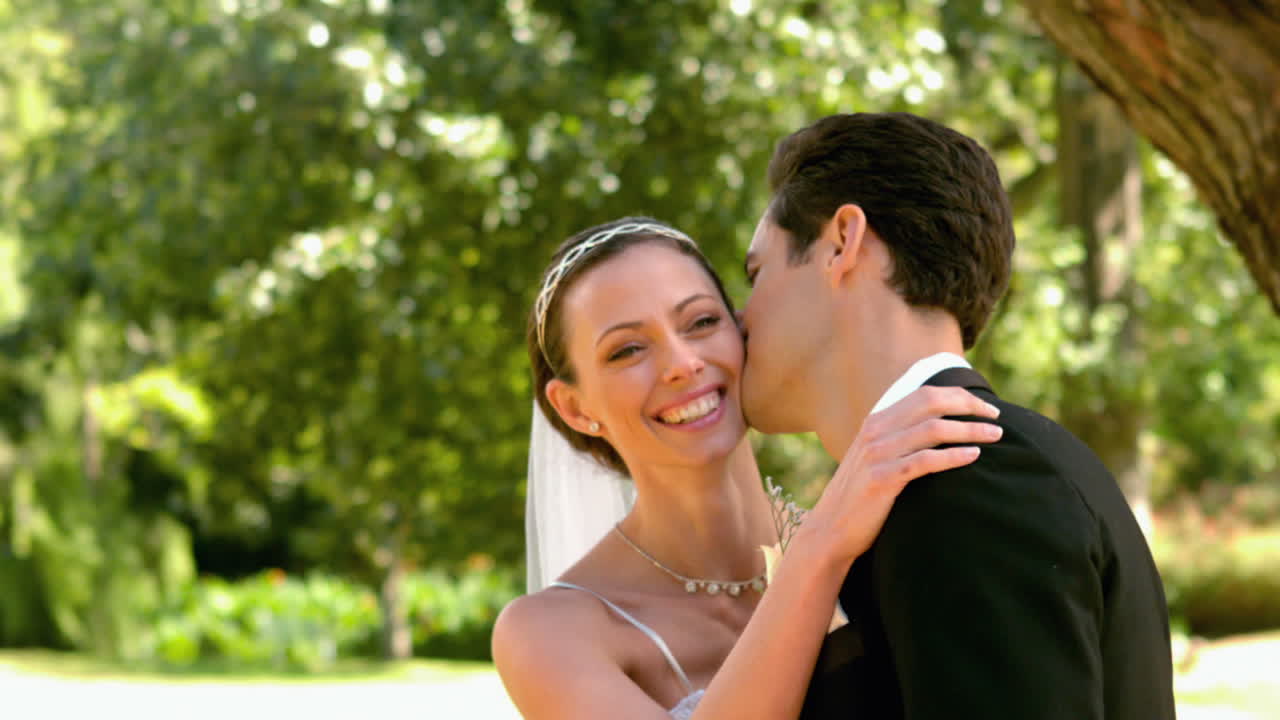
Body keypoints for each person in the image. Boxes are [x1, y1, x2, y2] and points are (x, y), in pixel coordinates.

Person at [738, 112, 1176, 719]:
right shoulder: (968, 472)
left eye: (754, 274)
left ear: (842, 241)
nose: (740, 318)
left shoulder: (968, 482)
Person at [492, 218, 1003, 719]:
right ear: (576, 409)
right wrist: (819, 547)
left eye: (702, 322)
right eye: (627, 350)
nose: (683, 362)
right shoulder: (548, 633)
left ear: (742, 330)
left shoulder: (882, 544)